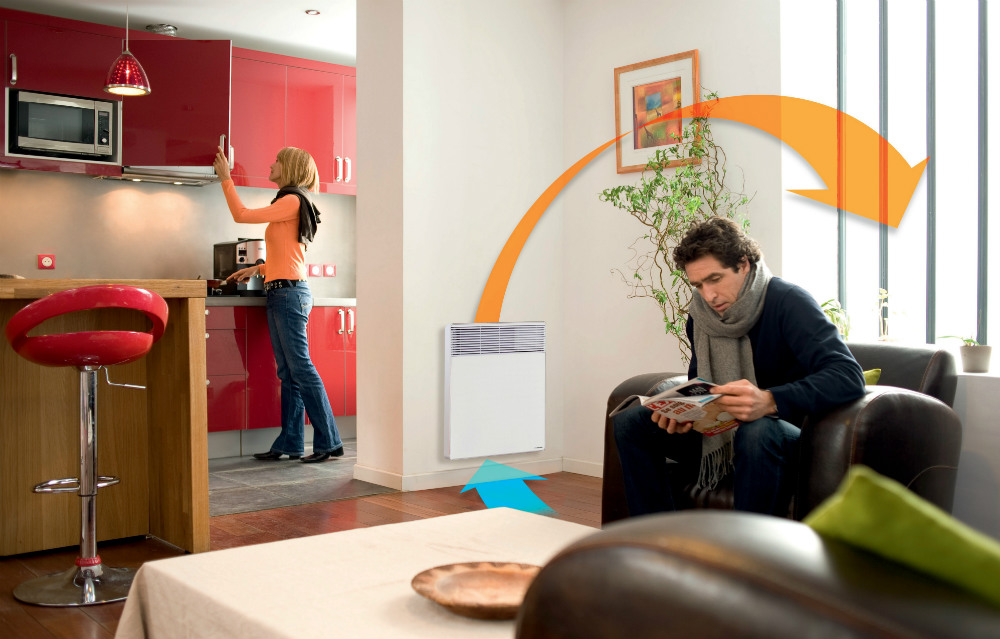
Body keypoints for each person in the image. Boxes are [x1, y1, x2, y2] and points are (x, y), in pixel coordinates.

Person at [613, 217, 865, 516]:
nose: (708, 295)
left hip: (782, 432)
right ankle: (654, 534)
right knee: (631, 423)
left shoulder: (788, 301)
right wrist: (685, 414)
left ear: (743, 264)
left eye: (715, 279)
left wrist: (770, 400)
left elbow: (847, 375)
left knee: (756, 430)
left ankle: (746, 543)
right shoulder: (701, 314)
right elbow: (701, 382)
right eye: (698, 285)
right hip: (722, 431)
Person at [213, 146, 344, 463]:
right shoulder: (291, 201)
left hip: (289, 294)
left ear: (290, 168)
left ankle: (329, 441)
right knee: (289, 372)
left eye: (277, 161)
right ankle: (291, 442)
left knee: (301, 369)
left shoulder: (292, 200)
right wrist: (258, 269)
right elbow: (289, 255)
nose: (271, 165)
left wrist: (226, 178)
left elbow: (241, 215)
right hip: (282, 292)